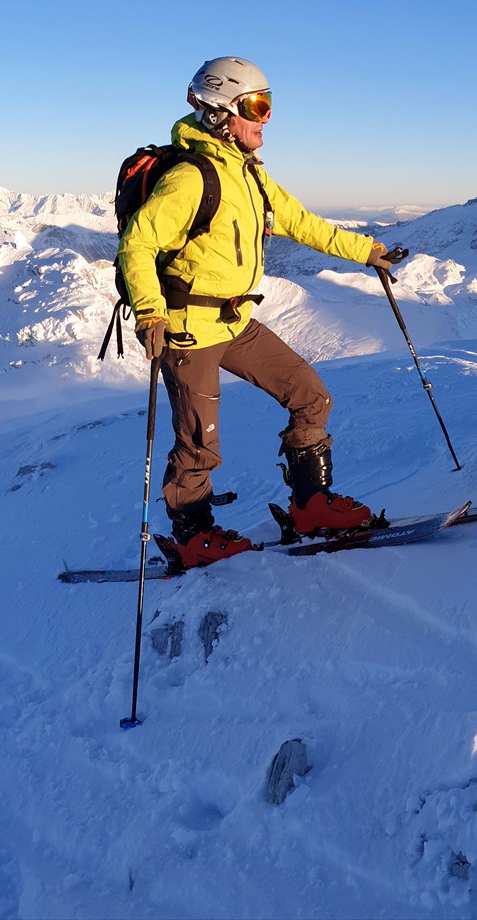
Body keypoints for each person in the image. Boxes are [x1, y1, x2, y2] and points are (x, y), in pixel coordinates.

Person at [118, 56, 396, 569]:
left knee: (310, 394)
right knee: (199, 443)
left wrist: (366, 251)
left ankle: (311, 506)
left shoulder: (248, 175)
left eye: (268, 106)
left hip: (235, 321)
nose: (266, 119)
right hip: (187, 331)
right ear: (220, 113)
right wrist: (150, 313)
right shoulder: (190, 179)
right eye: (256, 106)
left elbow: (301, 222)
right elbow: (137, 245)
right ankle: (192, 537)